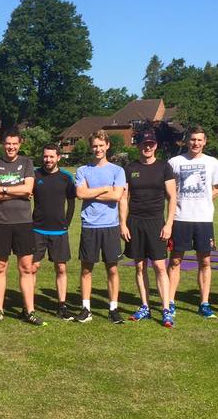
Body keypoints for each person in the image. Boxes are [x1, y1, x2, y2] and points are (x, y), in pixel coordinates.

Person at [167, 126, 218, 319]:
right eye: (192, 139)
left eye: (199, 140)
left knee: (205, 261)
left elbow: (216, 189)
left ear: (205, 141)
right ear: (186, 141)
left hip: (204, 219)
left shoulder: (212, 163)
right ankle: (170, 302)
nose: (196, 143)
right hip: (180, 218)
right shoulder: (174, 162)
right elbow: (169, 190)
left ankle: (204, 303)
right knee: (175, 260)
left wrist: (202, 200)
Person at [0, 130, 43, 326]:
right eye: (7, 143)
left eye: (14, 144)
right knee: (0, 267)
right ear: (3, 144)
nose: (11, 147)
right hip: (0, 222)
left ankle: (30, 311)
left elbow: (28, 189)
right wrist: (16, 191)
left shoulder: (27, 163)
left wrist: (3, 189)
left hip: (23, 223)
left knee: (26, 268)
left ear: (20, 144)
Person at [120, 130, 175, 327]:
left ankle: (166, 309)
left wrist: (168, 224)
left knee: (160, 266)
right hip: (135, 222)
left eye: (151, 144)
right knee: (139, 265)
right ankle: (145, 306)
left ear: (156, 146)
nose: (148, 147)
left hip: (156, 223)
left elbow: (172, 198)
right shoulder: (129, 168)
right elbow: (124, 199)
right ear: (139, 146)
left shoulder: (164, 167)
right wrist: (123, 223)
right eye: (144, 144)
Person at [73, 130, 126, 324]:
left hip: (110, 226)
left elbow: (116, 196)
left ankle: (113, 309)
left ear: (107, 146)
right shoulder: (83, 170)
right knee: (86, 269)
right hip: (90, 225)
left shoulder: (117, 171)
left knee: (112, 269)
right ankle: (86, 309)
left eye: (101, 145)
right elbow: (80, 194)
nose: (98, 149)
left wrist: (91, 192)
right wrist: (105, 188)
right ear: (91, 146)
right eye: (95, 145)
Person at [31, 144, 76, 320]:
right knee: (33, 267)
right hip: (37, 229)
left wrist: (67, 223)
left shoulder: (66, 177)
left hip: (59, 231)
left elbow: (71, 202)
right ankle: (30, 305)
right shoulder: (35, 175)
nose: (48, 160)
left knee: (61, 268)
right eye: (45, 156)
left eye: (51, 157)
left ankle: (62, 306)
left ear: (58, 157)